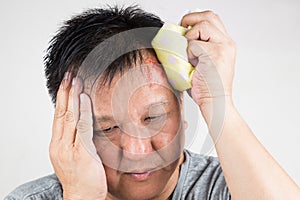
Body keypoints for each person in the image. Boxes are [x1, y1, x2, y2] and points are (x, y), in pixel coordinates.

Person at [5, 5, 300, 200]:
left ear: (183, 109)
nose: (136, 152)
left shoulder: (232, 186)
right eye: (107, 129)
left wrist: (217, 101)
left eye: (153, 118)